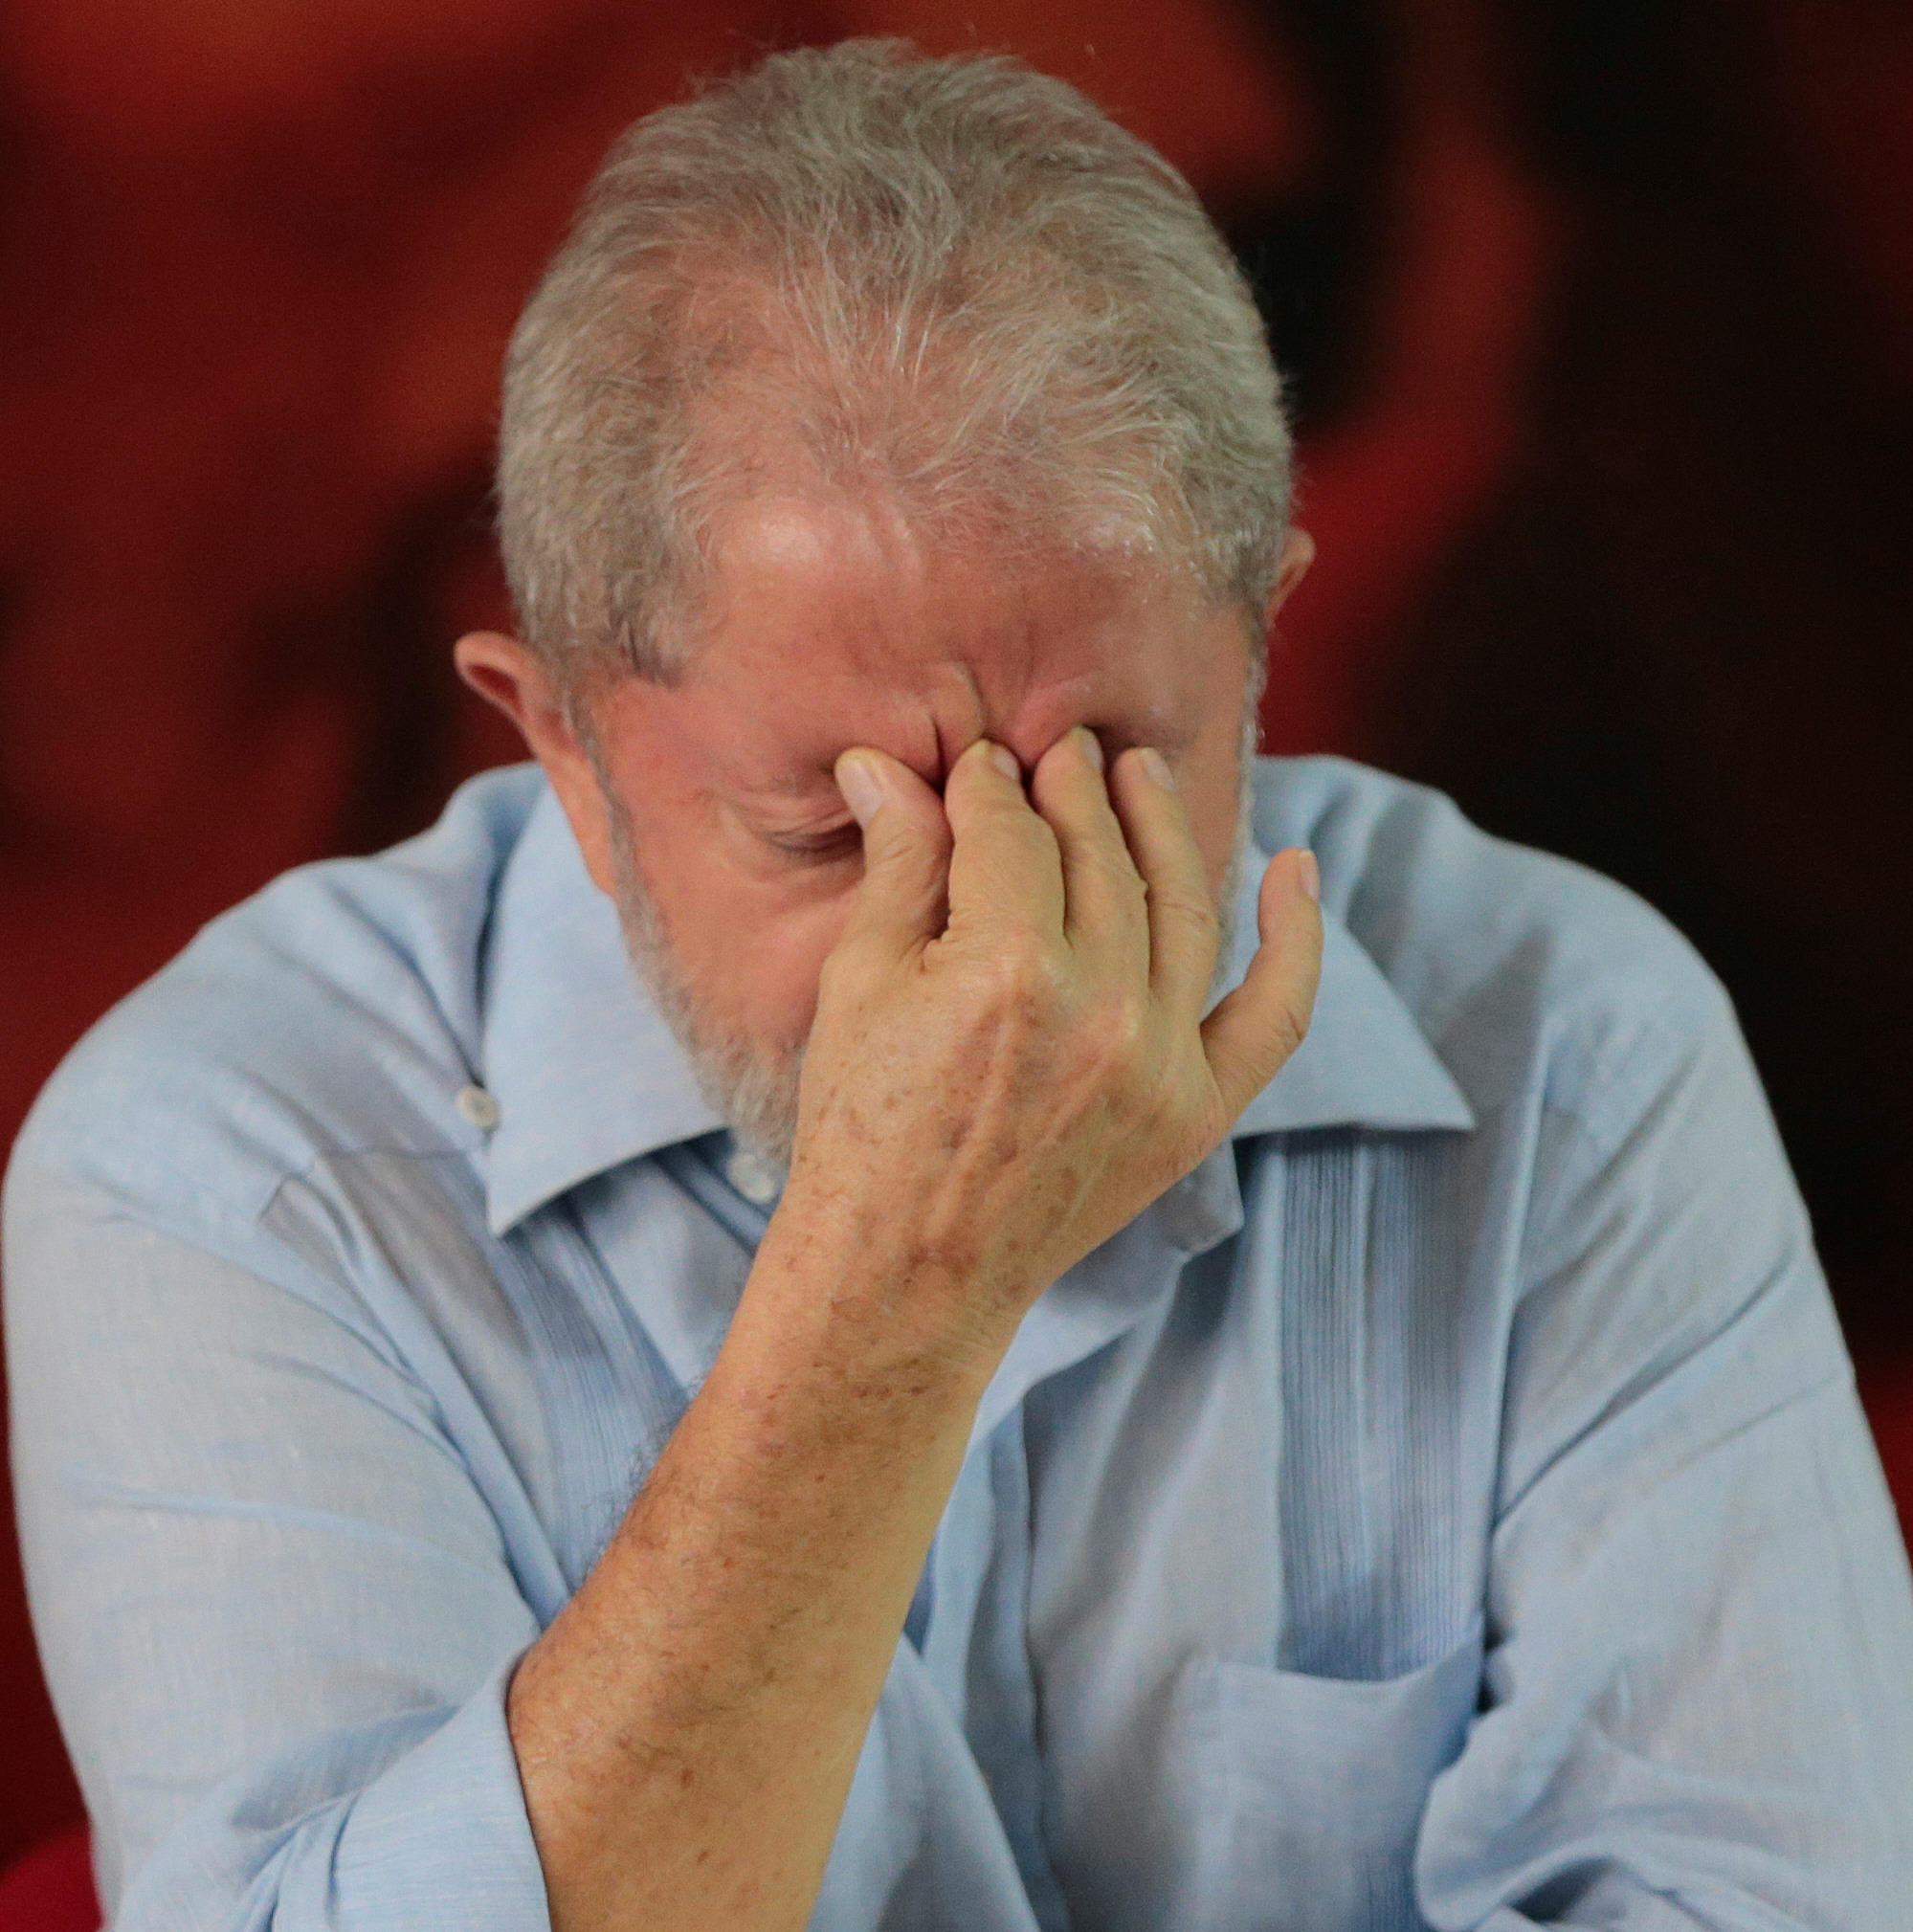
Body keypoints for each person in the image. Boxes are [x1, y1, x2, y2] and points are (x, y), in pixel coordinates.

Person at [6, 38, 1910, 1932]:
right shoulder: (228, 1165)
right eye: (830, 833)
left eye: (1106, 786)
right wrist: (890, 1299)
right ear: (561, 742)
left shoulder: (1568, 1042)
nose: (1001, 963)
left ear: (1257, 641)